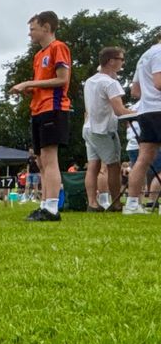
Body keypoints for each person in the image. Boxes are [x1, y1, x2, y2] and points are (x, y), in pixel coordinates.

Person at [10, 11, 72, 221]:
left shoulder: (58, 47)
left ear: (46, 27)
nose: (30, 34)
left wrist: (30, 83)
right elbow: (44, 82)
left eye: (32, 29)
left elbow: (62, 79)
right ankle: (45, 204)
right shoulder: (38, 56)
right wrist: (29, 89)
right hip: (38, 109)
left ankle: (52, 208)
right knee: (40, 160)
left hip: (53, 108)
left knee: (49, 157)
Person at [81, 47, 131, 211]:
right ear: (111, 61)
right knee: (113, 166)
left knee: (93, 166)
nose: (122, 63)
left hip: (89, 128)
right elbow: (120, 111)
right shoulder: (110, 83)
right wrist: (139, 112)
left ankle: (92, 203)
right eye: (121, 60)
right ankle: (116, 203)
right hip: (103, 130)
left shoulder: (90, 81)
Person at [124, 34, 161, 214]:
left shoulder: (144, 55)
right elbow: (159, 82)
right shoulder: (160, 53)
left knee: (143, 158)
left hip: (146, 111)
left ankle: (132, 204)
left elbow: (135, 91)